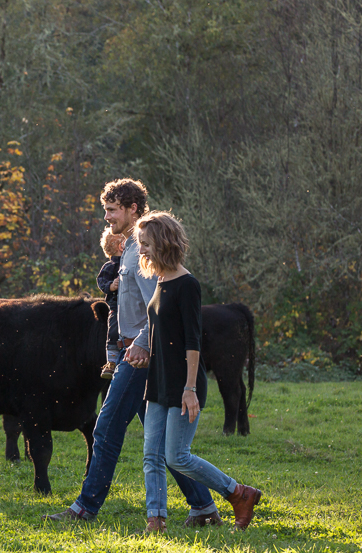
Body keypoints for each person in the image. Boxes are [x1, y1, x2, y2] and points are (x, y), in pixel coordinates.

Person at [44, 178, 221, 527]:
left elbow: (159, 306)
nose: (107, 217)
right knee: (162, 446)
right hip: (134, 353)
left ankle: (84, 508)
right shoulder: (128, 248)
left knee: (106, 429)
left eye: (112, 210)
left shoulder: (143, 250)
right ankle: (203, 507)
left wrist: (139, 342)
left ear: (132, 210)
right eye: (106, 210)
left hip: (141, 357)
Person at [136, 211, 261, 532]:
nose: (142, 251)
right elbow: (162, 332)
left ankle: (238, 493)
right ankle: (156, 520)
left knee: (177, 457)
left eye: (146, 244)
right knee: (152, 456)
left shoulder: (187, 284)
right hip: (158, 380)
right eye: (140, 244)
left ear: (163, 242)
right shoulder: (160, 280)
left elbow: (193, 342)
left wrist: (190, 389)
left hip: (183, 384)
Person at [96, 227, 124, 380]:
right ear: (121, 246)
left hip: (131, 306)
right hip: (116, 306)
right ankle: (111, 361)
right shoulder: (110, 266)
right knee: (113, 331)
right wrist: (111, 286)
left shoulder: (132, 262)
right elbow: (101, 282)